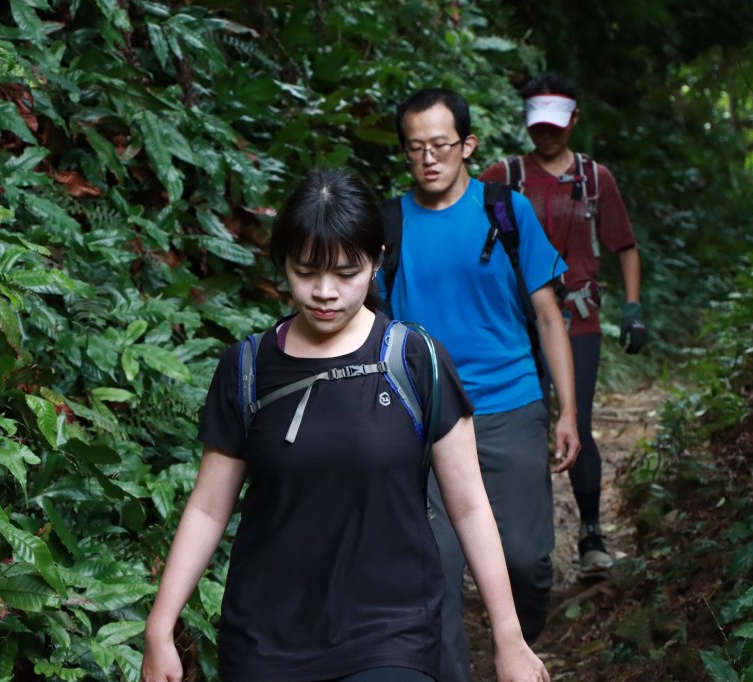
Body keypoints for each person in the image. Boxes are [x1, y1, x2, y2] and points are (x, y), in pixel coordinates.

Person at [140, 169, 550, 682]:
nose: (325, 292)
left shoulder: (414, 360)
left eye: (346, 272)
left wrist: (508, 637)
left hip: (391, 632)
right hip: (265, 639)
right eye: (306, 272)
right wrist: (160, 627)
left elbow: (468, 507)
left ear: (377, 259)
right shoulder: (246, 369)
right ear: (282, 264)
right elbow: (206, 508)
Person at [381, 88, 580, 682]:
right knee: (434, 569)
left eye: (441, 145)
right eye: (415, 149)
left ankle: (518, 647)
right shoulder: (387, 224)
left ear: (467, 145)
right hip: (422, 417)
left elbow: (548, 316)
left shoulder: (506, 210)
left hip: (510, 405)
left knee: (526, 561)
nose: (429, 159)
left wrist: (568, 411)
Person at [480, 73, 647, 578]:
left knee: (576, 421)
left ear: (574, 120)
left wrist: (633, 308)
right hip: (515, 324)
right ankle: (522, 545)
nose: (547, 134)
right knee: (524, 426)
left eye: (556, 125)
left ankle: (592, 534)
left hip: (578, 318)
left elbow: (625, 246)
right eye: (538, 125)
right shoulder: (501, 177)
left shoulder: (596, 180)